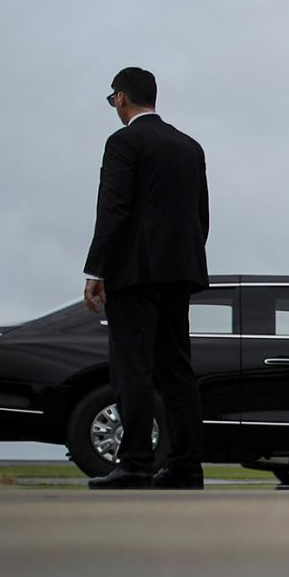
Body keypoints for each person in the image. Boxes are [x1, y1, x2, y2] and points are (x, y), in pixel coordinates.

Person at [80, 65, 211, 490]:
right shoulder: (190, 147)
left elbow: (113, 210)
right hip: (180, 270)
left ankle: (135, 461)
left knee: (132, 367)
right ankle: (186, 465)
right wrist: (185, 260)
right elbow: (200, 216)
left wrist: (96, 269)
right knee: (176, 368)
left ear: (121, 97)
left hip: (135, 273)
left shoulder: (123, 143)